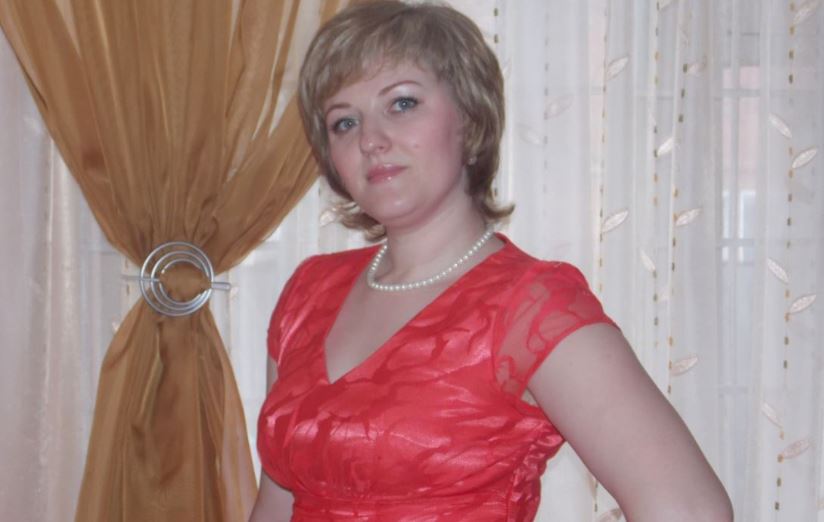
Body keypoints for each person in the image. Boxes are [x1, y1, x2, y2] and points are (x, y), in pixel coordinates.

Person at [251, 2, 733, 521]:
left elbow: (690, 510)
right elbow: (278, 501)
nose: (370, 140)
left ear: (469, 115)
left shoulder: (531, 307)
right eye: (344, 122)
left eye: (402, 103)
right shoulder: (308, 293)